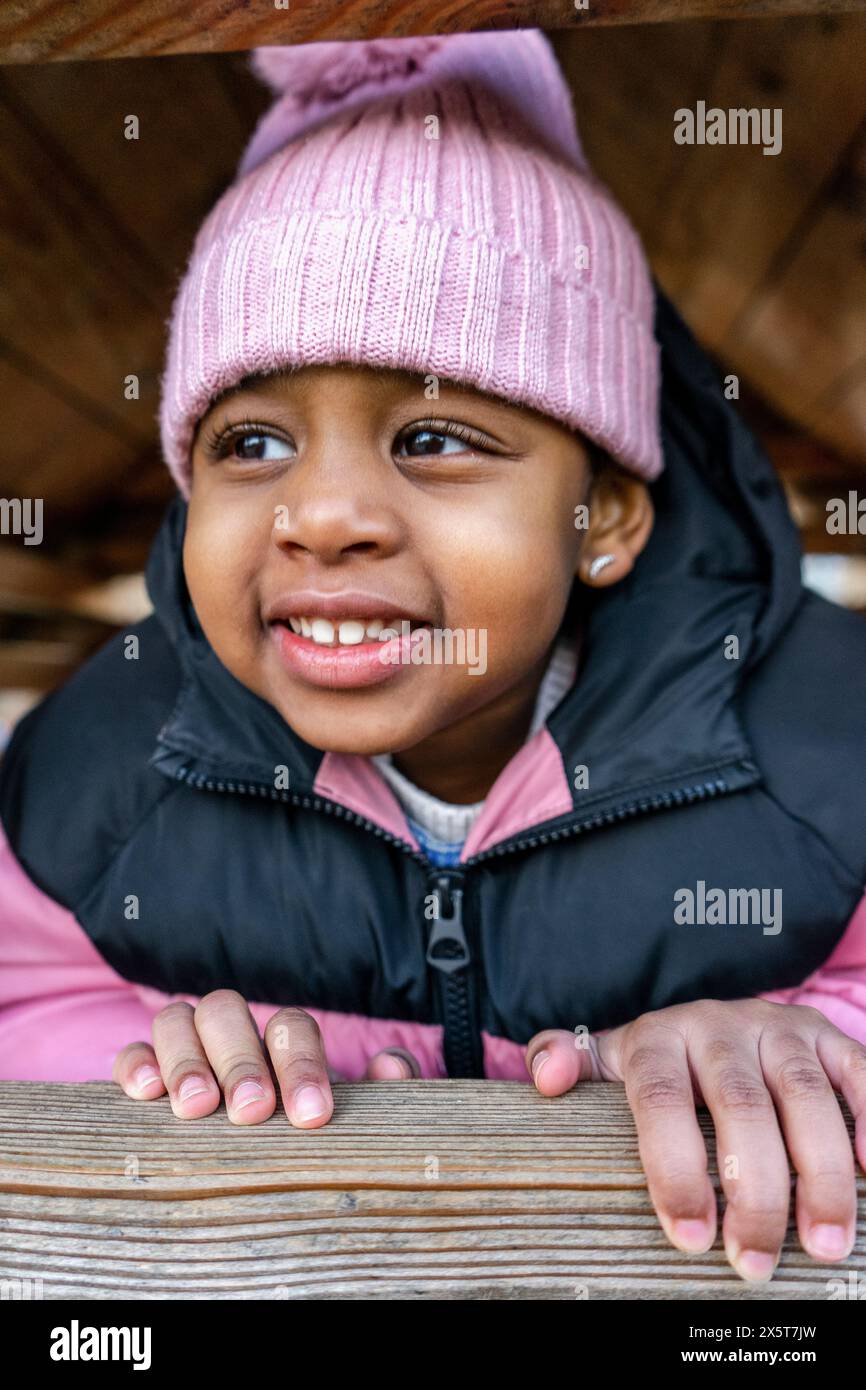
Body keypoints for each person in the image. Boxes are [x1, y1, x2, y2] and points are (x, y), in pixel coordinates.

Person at [2, 30, 865, 1284]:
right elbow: (23, 1002)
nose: (321, 512)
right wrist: (164, 1056)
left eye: (436, 436)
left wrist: (791, 1038)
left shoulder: (822, 739)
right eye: (249, 446)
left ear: (606, 520)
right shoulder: (101, 767)